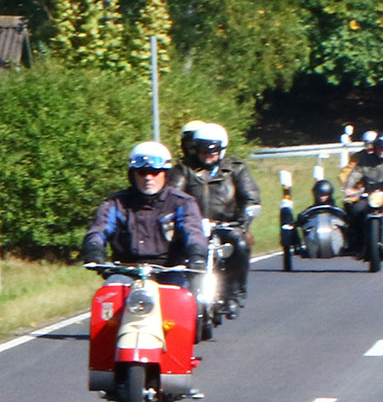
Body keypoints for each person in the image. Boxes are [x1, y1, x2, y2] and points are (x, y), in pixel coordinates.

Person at [81, 140, 208, 287]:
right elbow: (98, 230)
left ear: (165, 174)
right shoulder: (115, 203)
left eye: (154, 172)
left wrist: (197, 254)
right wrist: (93, 250)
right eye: (142, 172)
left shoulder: (183, 203)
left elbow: (193, 232)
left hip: (169, 272)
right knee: (107, 297)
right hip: (125, 272)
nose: (148, 178)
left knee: (185, 302)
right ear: (132, 174)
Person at [167, 121, 261, 307]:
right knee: (169, 250)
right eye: (203, 151)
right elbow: (172, 195)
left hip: (226, 225)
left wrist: (243, 220)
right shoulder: (184, 169)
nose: (208, 156)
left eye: (212, 151)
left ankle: (234, 293)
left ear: (222, 150)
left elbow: (250, 197)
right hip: (192, 226)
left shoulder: (236, 168)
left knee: (241, 245)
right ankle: (169, 294)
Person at [343, 132, 383, 255]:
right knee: (356, 210)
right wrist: (348, 188)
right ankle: (357, 241)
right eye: (380, 147)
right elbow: (354, 175)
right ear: (375, 147)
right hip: (369, 196)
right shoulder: (365, 160)